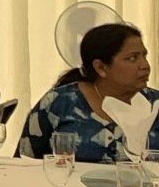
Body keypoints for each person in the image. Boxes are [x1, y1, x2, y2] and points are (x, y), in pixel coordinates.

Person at [19, 22, 159, 162]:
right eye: (132, 58)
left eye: (144, 56)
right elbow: (24, 162)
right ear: (101, 67)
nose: (145, 66)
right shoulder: (59, 103)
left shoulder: (155, 104)